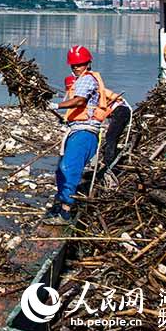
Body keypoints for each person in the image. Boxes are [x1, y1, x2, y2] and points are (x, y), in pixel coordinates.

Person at [44, 45, 112, 225]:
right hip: (76, 130)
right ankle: (59, 206)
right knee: (61, 170)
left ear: (88, 63)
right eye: (74, 65)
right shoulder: (77, 81)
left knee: (68, 168)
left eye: (80, 64)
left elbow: (80, 100)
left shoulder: (86, 80)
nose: (76, 67)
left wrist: (57, 106)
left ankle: (66, 212)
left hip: (85, 132)